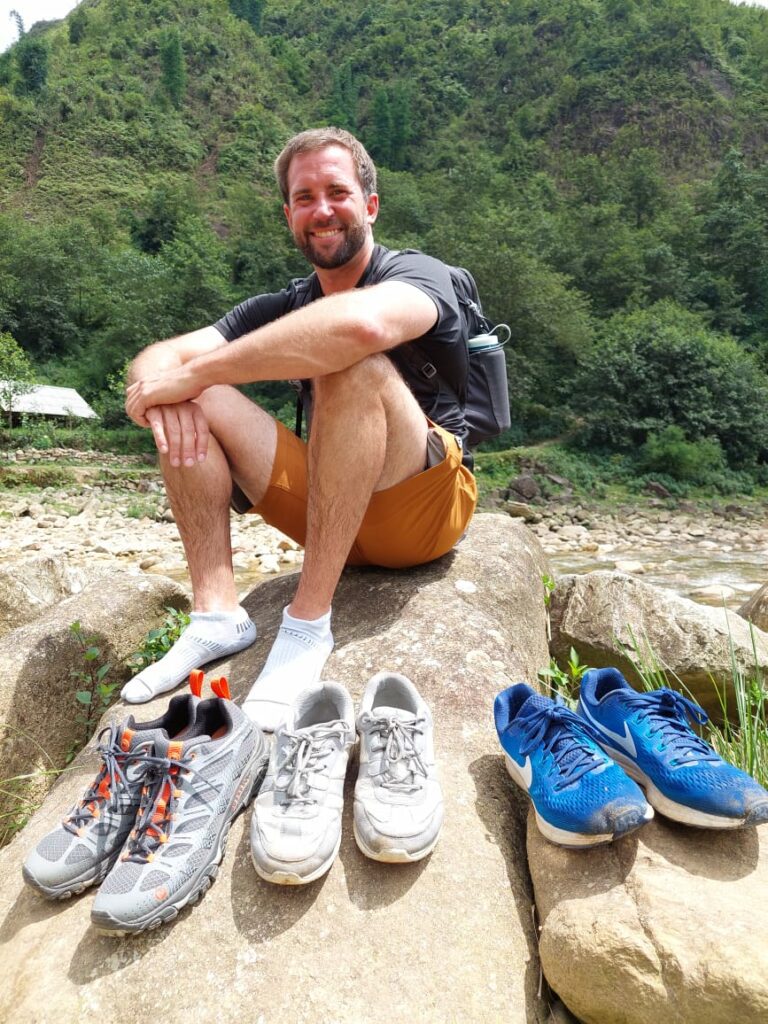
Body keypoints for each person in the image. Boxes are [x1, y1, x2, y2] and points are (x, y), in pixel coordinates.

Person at [123, 127, 477, 730]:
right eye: (305, 197)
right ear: (289, 214)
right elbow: (155, 360)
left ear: (369, 204)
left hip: (418, 511)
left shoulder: (420, 275)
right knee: (192, 389)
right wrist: (167, 386)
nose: (322, 210)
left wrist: (193, 374)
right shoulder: (284, 302)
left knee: (346, 360)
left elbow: (359, 329)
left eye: (336, 191)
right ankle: (216, 615)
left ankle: (307, 625)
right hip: (327, 511)